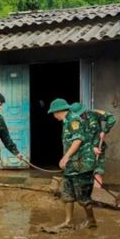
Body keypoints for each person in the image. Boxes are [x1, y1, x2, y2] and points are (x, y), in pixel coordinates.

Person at [47, 98, 97, 230]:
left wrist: (65, 157)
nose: (53, 115)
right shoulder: (66, 121)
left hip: (82, 164)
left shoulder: (74, 119)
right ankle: (68, 221)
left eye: (53, 112)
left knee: (82, 197)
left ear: (58, 111)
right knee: (67, 193)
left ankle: (91, 220)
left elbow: (78, 140)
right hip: (72, 165)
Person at [69, 103, 116, 188]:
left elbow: (111, 118)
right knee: (84, 172)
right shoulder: (73, 122)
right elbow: (77, 139)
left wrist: (105, 131)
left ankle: (97, 193)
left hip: (98, 146)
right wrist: (91, 148)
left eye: (81, 113)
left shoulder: (93, 113)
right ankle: (84, 193)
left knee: (97, 171)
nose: (81, 116)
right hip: (84, 150)